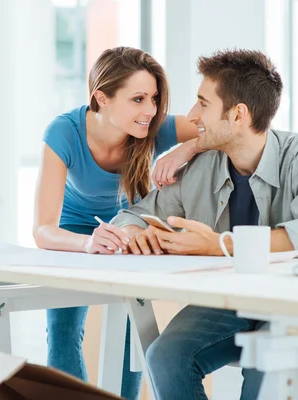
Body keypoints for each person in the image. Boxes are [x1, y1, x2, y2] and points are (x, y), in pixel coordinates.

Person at [110, 49, 298, 400]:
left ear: (238, 115)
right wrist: (134, 234)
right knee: (165, 355)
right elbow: (134, 216)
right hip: (233, 304)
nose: (191, 116)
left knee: (268, 357)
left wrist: (220, 245)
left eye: (203, 104)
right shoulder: (202, 167)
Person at [32, 46, 201, 400]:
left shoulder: (156, 128)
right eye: (138, 99)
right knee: (63, 331)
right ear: (102, 98)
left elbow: (220, 128)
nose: (151, 111)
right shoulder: (64, 132)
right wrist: (86, 243)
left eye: (154, 98)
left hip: (131, 229)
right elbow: (43, 229)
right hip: (75, 231)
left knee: (129, 327)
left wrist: (186, 149)